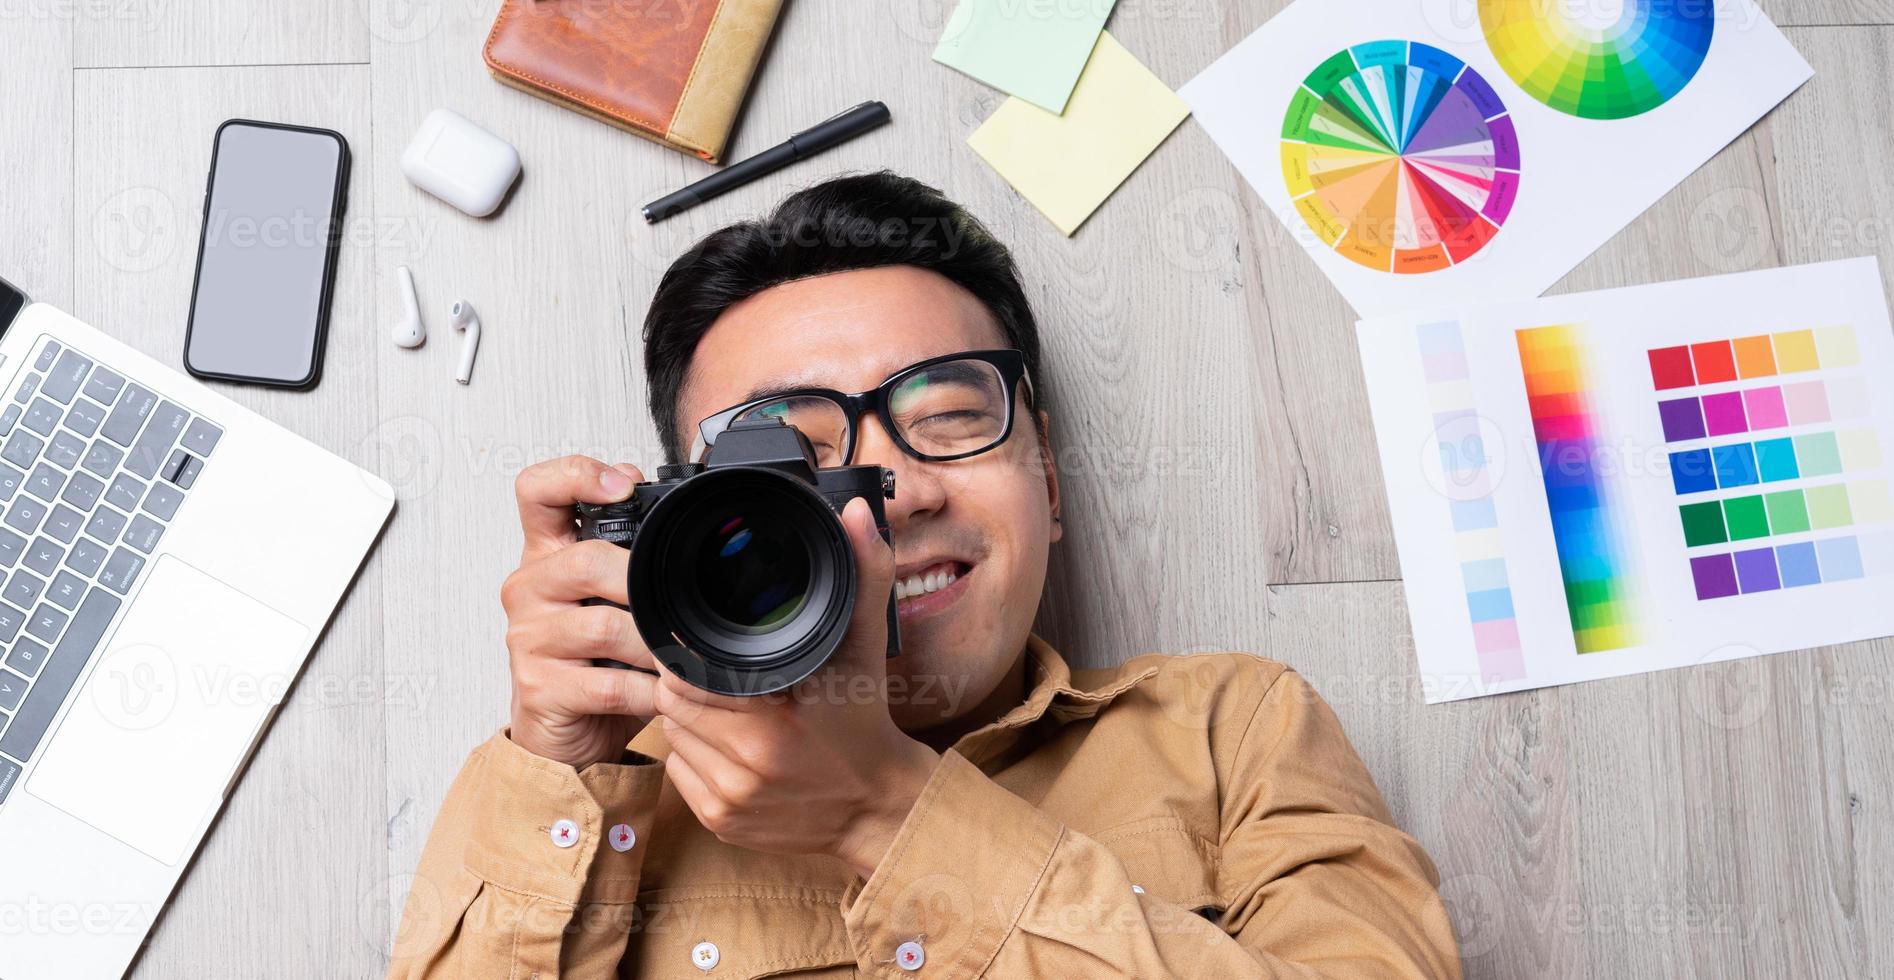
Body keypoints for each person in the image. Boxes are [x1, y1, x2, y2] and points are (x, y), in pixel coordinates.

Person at [388, 172, 1461, 978]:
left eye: (949, 416)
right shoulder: (611, 793)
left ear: (1045, 473)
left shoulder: (1231, 729)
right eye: (790, 456)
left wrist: (887, 812)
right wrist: (555, 767)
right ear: (688, 514)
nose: (884, 493)